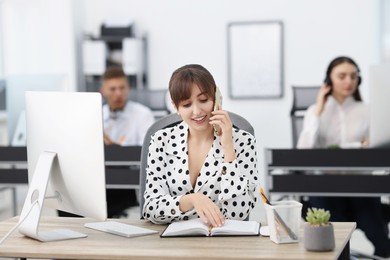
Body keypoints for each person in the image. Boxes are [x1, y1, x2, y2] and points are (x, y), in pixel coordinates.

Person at [143, 64, 259, 227]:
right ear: (175, 106)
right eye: (186, 104)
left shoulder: (243, 141)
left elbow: (238, 213)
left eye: (203, 100)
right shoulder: (161, 140)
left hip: (223, 242)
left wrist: (228, 148)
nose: (197, 111)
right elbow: (150, 208)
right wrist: (192, 200)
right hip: (173, 242)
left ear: (216, 98)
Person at [297, 56, 390, 257]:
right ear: (329, 81)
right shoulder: (315, 111)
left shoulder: (367, 111)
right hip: (327, 187)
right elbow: (303, 150)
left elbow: (378, 145)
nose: (349, 81)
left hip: (360, 187)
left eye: (354, 76)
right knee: (335, 244)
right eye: (342, 76)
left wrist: (370, 144)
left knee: (383, 243)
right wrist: (319, 110)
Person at [101, 66, 155, 218]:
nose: (118, 93)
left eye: (122, 88)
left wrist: (117, 150)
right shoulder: (96, 115)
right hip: (101, 179)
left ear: (128, 89)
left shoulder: (142, 114)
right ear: (103, 90)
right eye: (112, 89)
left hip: (128, 181)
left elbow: (147, 154)